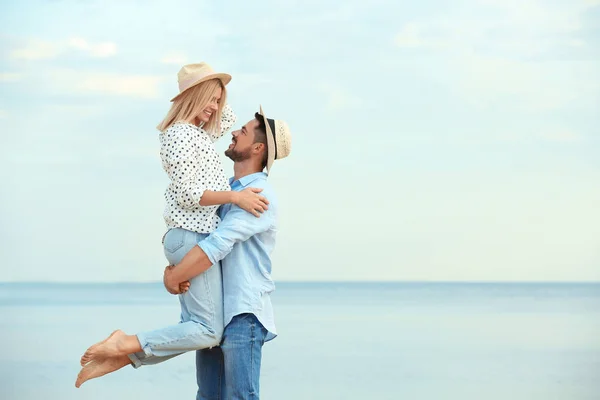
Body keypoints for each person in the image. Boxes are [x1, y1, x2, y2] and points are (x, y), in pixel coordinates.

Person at [75, 63, 269, 388]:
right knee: (208, 330)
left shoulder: (200, 131)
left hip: (194, 237)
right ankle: (125, 344)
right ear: (193, 97)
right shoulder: (179, 135)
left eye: (218, 100)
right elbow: (189, 193)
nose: (215, 108)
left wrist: (215, 89)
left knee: (202, 331)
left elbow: (228, 117)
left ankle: (125, 354)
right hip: (191, 236)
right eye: (210, 99)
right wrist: (236, 199)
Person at [163, 107, 291, 399]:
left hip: (242, 313)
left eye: (243, 132)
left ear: (258, 148)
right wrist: (173, 267)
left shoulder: (259, 195)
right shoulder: (228, 190)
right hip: (214, 312)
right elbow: (198, 231)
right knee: (208, 396)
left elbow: (217, 243)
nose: (233, 132)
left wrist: (174, 277)